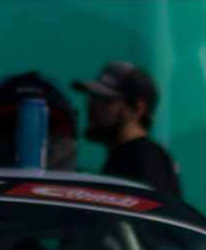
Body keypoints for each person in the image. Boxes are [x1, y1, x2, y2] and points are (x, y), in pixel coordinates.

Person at [73, 60, 180, 200]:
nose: (92, 107)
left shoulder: (143, 157)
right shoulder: (128, 156)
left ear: (137, 109)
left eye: (106, 100)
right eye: (93, 98)